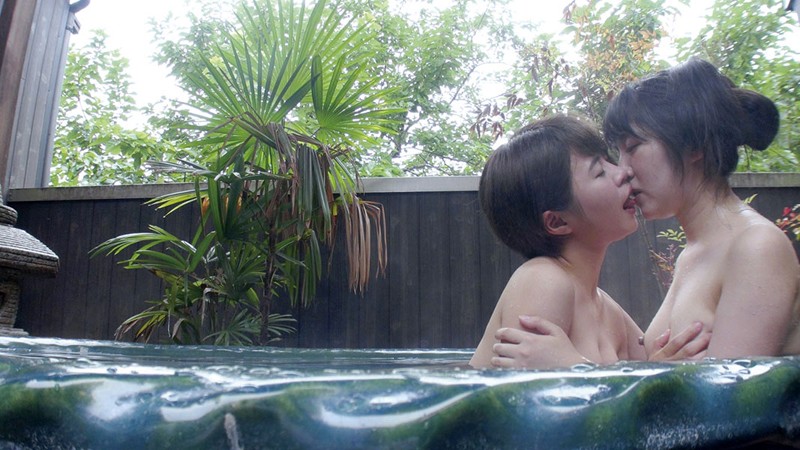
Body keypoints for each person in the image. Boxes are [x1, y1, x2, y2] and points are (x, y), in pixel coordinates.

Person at [492, 58, 800, 368]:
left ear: (694, 145)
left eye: (633, 147)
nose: (623, 170)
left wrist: (575, 367)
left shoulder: (757, 246)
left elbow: (730, 395)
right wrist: (658, 370)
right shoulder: (693, 255)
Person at [470, 115, 706, 369]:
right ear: (557, 221)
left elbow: (645, 381)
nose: (623, 172)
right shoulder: (542, 280)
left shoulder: (607, 309)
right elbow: (520, 391)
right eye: (600, 172)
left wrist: (661, 369)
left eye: (608, 160)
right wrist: (576, 367)